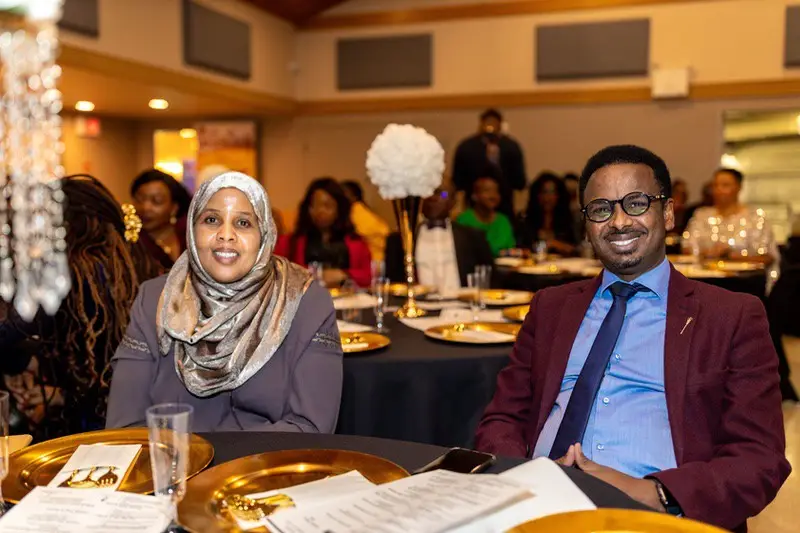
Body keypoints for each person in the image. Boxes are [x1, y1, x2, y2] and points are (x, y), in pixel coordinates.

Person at [475, 145, 789, 532]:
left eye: (636, 203)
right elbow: (502, 418)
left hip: (655, 518)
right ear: (587, 224)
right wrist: (524, 478)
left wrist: (655, 493)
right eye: (601, 209)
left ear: (668, 213)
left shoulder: (731, 316)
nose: (619, 222)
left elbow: (759, 458)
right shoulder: (551, 307)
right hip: (539, 511)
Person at [106, 172, 343, 432]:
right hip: (175, 458)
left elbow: (310, 428)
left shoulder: (306, 303)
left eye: (243, 223)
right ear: (192, 229)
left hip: (270, 459)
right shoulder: (154, 300)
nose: (226, 234)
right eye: (211, 220)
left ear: (264, 233)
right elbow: (124, 425)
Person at [1, 175, 161, 439]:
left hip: (97, 432)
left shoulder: (74, 274)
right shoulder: (130, 264)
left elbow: (8, 332)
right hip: (137, 421)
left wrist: (22, 363)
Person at [385, 183, 493, 294]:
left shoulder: (473, 238)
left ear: (453, 202)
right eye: (427, 193)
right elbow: (392, 285)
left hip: (464, 302)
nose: (433, 198)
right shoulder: (399, 240)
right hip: (418, 302)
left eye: (442, 194)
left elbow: (491, 280)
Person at [275, 178, 372, 288]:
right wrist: (313, 274)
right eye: (314, 205)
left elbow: (368, 276)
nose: (320, 211)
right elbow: (277, 273)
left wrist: (344, 274)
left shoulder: (357, 243)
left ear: (339, 209)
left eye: (327, 206)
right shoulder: (290, 242)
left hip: (347, 297)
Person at [683, 168, 778, 266]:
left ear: (739, 187)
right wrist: (704, 254)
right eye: (715, 185)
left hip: (743, 274)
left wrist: (731, 256)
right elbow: (687, 247)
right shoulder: (702, 215)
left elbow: (767, 257)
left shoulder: (755, 218)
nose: (719, 190)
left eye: (725, 185)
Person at [453, 109, 527, 218]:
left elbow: (520, 182)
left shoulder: (511, 147)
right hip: (474, 205)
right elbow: (457, 181)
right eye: (488, 122)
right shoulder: (467, 147)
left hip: (504, 205)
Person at [131, 169, 192, 269]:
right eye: (140, 200)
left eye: (157, 201)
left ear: (174, 208)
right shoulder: (131, 241)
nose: (146, 208)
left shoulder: (190, 236)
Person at [456, 171, 517, 257]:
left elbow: (511, 250)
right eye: (487, 191)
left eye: (496, 191)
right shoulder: (464, 220)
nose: (493, 196)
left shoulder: (503, 221)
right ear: (474, 196)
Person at [516, 172, 578, 255]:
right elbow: (520, 248)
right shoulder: (525, 220)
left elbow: (576, 249)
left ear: (559, 196)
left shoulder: (568, 221)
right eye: (544, 192)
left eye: (552, 192)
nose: (548, 198)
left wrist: (556, 244)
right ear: (537, 195)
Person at [341, 180, 390, 262]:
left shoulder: (357, 212)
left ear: (354, 197)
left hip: (374, 260)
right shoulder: (363, 211)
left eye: (343, 193)